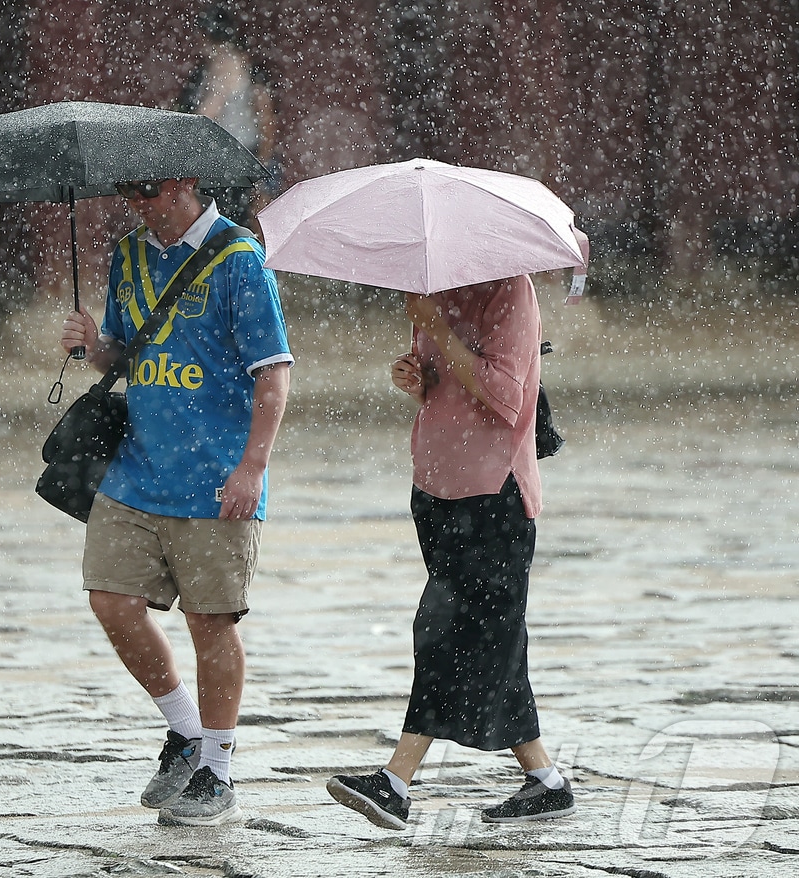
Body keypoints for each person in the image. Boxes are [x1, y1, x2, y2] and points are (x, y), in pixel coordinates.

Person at [60, 178, 293, 826]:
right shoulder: (130, 255)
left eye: (150, 190)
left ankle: (217, 770)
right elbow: (122, 351)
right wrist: (91, 347)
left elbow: (274, 372)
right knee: (110, 598)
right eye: (129, 190)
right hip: (135, 468)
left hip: (216, 475)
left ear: (186, 185)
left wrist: (252, 468)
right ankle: (184, 731)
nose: (138, 201)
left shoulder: (239, 259)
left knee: (210, 623)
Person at [326, 277, 577, 830]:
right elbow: (443, 388)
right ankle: (546, 781)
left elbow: (508, 395)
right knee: (488, 637)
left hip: (493, 494)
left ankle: (395, 780)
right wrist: (414, 379)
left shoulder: (511, 291)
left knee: (444, 629)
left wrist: (438, 327)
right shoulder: (428, 288)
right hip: (435, 490)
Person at [176, 5, 274, 227]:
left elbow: (209, 112)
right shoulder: (233, 63)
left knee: (226, 220)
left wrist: (184, 135)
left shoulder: (226, 62)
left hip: (230, 156)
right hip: (237, 156)